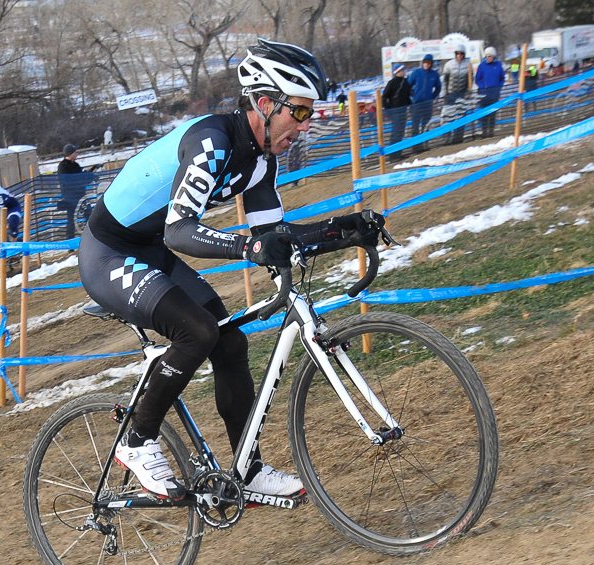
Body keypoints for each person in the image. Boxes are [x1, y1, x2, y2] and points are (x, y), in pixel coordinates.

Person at [78, 38, 383, 504]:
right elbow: (181, 232)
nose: (304, 125)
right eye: (298, 113)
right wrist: (248, 246)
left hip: (148, 248)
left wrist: (342, 231)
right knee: (197, 331)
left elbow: (275, 233)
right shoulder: (212, 141)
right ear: (265, 104)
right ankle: (136, 442)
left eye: (309, 114)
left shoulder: (261, 160)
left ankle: (248, 469)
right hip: (108, 252)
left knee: (230, 340)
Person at [406, 54, 441, 153]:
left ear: (431, 64)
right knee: (415, 126)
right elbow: (408, 85)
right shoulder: (416, 73)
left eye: (429, 63)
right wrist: (412, 96)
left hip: (428, 104)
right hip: (416, 104)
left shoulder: (434, 74)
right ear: (422, 63)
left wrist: (432, 97)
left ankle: (424, 145)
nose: (426, 65)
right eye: (425, 62)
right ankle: (415, 147)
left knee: (425, 125)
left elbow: (438, 87)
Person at [56, 144, 90, 240]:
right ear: (70, 153)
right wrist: (78, 181)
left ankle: (91, 238)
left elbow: (82, 178)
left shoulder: (76, 165)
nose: (77, 154)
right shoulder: (62, 166)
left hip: (81, 196)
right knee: (71, 220)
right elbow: (65, 181)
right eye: (75, 152)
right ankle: (70, 243)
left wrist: (91, 174)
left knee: (89, 216)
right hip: (70, 198)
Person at [441, 48, 473, 145]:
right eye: (458, 54)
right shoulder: (449, 65)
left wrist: (469, 92)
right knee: (448, 117)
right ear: (455, 54)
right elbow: (445, 81)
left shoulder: (468, 64)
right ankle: (447, 137)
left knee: (461, 116)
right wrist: (444, 93)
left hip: (462, 94)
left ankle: (458, 137)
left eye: (461, 54)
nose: (459, 55)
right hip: (450, 94)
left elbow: (471, 80)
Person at [382, 62, 413, 160]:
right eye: (402, 70)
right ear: (397, 72)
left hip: (403, 110)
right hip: (395, 111)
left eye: (404, 70)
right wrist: (388, 109)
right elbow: (384, 97)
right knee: (395, 132)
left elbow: (407, 96)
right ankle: (392, 154)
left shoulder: (406, 82)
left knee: (401, 132)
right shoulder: (392, 82)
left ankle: (398, 153)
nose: (404, 72)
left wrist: (411, 106)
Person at [474, 47, 506, 139]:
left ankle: (491, 131)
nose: (489, 58)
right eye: (487, 56)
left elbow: (502, 78)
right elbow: (478, 79)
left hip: (494, 94)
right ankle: (484, 131)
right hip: (484, 95)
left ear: (494, 56)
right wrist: (482, 87)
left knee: (493, 113)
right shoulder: (482, 66)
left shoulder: (498, 65)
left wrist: (499, 87)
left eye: (490, 56)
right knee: (484, 113)